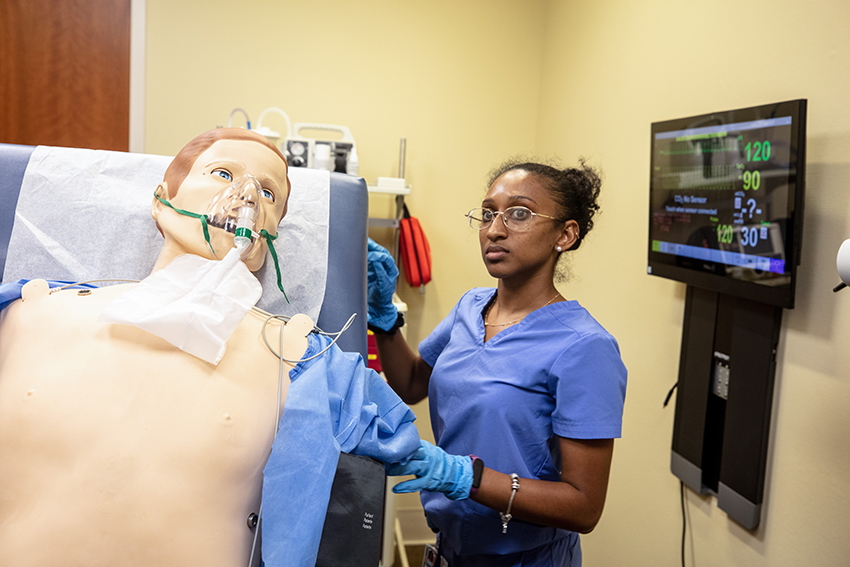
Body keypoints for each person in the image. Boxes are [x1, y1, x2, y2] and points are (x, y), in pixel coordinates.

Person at [0, 128, 418, 567]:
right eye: (222, 173)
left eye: (269, 194)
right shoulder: (29, 312)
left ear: (273, 234)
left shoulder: (301, 358)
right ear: (161, 199)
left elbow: (408, 447)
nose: (246, 196)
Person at [369, 159, 628, 566]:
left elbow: (584, 507)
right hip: (448, 552)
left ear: (566, 233)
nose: (494, 229)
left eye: (519, 214)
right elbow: (413, 382)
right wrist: (384, 319)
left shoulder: (584, 347)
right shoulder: (471, 306)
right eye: (488, 214)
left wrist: (467, 478)